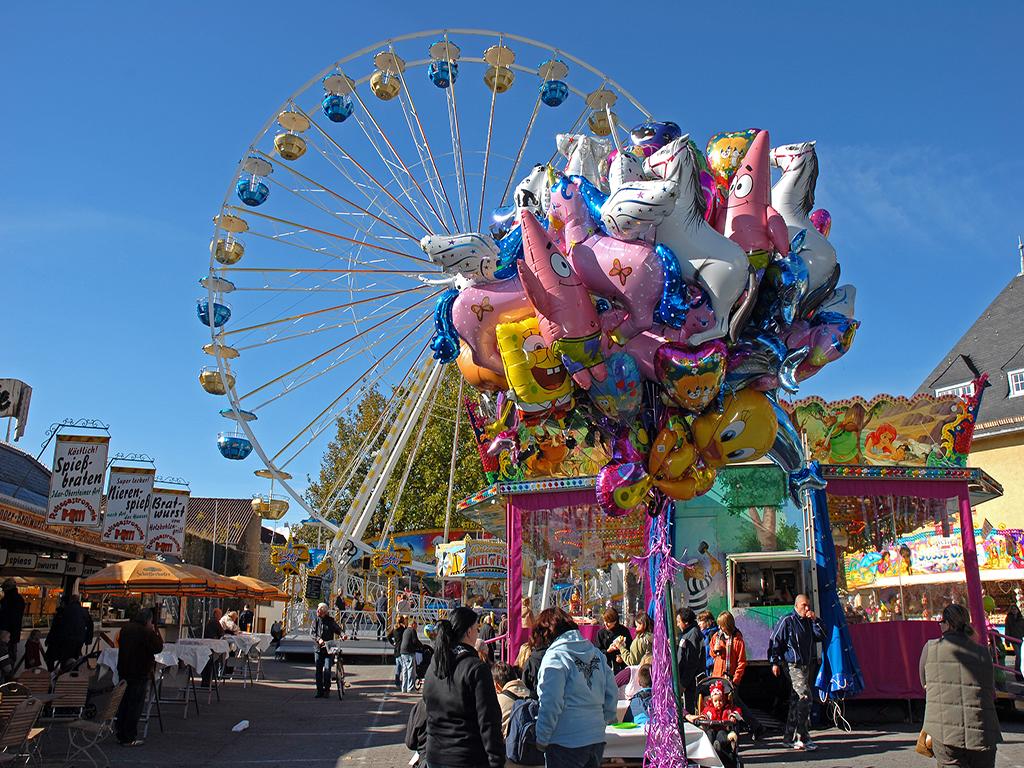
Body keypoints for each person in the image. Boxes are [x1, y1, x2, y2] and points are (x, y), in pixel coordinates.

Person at [534, 606, 618, 768]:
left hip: (565, 741)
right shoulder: (596, 654)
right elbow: (612, 694)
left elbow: (550, 702)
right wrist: (601, 721)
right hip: (595, 737)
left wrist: (542, 738)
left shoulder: (555, 657)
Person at [421, 606, 505, 768]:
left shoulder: (436, 664)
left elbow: (427, 704)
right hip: (466, 755)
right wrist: (496, 760)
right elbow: (489, 719)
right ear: (469, 632)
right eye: (476, 629)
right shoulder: (476, 668)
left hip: (436, 752)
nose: (478, 633)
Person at [920, 604, 1001, 768]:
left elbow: (925, 684)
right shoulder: (983, 652)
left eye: (941, 622)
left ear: (947, 625)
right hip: (983, 732)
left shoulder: (931, 648)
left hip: (945, 733)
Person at [767, 593, 825, 751]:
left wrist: (815, 620)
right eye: (804, 605)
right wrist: (774, 662)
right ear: (796, 605)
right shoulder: (787, 620)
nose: (806, 608)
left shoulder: (808, 622)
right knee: (804, 697)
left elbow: (822, 635)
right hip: (792, 664)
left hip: (806, 663)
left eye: (808, 606)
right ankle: (803, 736)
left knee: (796, 701)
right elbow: (776, 640)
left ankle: (789, 736)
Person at [710, 610, 764, 739]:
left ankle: (750, 727)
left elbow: (741, 662)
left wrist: (736, 679)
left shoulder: (737, 641)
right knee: (721, 704)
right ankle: (753, 727)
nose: (719, 628)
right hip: (717, 676)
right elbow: (712, 654)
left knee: (734, 704)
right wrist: (714, 650)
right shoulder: (717, 637)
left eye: (722, 625)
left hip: (730, 678)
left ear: (727, 625)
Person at [115, 607, 163, 747]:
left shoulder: (126, 629)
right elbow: (158, 647)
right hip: (139, 671)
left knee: (124, 702)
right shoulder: (146, 632)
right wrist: (154, 631)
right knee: (134, 704)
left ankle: (120, 733)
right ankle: (129, 737)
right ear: (148, 620)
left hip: (124, 669)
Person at [686, 680, 742, 768]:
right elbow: (705, 715)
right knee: (710, 733)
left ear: (724, 700)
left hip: (724, 730)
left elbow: (737, 711)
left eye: (720, 701)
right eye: (716, 701)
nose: (718, 703)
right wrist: (703, 719)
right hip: (712, 729)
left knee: (721, 734)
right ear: (712, 701)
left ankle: (718, 745)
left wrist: (733, 717)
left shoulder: (728, 709)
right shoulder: (709, 710)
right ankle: (711, 747)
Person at [46, 593, 94, 671]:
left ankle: (64, 675)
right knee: (75, 659)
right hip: (79, 639)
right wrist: (88, 638)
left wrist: (50, 639)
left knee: (65, 659)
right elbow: (90, 625)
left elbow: (56, 627)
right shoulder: (83, 611)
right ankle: (73, 674)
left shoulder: (65, 610)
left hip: (66, 639)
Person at [310, 602, 343, 698]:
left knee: (327, 669)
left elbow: (338, 629)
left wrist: (342, 634)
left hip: (328, 648)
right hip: (318, 648)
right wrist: (318, 639)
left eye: (319, 610)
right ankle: (319, 690)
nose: (317, 611)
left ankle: (327, 689)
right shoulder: (315, 621)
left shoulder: (330, 621)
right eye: (317, 609)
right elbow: (312, 632)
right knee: (318, 670)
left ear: (324, 611)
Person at [675, 607, 704, 714]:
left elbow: (692, 662)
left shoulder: (693, 635)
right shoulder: (687, 634)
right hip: (686, 680)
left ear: (686, 622)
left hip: (691, 682)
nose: (678, 625)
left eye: (679, 622)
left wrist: (684, 683)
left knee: (689, 710)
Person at [492, 661, 529, 737]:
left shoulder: (497, 701)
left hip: (509, 746)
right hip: (531, 744)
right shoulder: (532, 695)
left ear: (497, 686)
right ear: (516, 676)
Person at [595, 607, 632, 674]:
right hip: (605, 668)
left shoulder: (624, 631)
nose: (605, 624)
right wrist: (608, 651)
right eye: (604, 621)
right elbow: (596, 653)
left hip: (621, 669)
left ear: (615, 622)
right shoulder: (601, 633)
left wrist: (622, 657)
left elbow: (630, 649)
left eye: (608, 622)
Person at [200, 608, 224, 687]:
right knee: (212, 663)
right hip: (212, 646)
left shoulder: (210, 621)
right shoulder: (215, 622)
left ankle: (206, 680)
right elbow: (221, 632)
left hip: (207, 645)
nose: (221, 616)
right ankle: (208, 681)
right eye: (220, 614)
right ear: (216, 614)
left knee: (208, 664)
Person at [399, 619, 425, 693]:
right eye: (416, 626)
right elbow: (415, 641)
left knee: (404, 670)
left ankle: (404, 687)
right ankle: (410, 687)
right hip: (409, 652)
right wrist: (421, 645)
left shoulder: (406, 630)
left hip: (402, 651)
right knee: (411, 669)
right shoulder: (412, 631)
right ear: (413, 625)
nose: (416, 628)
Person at [0, 580, 25, 650]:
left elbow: (3, 616)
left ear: (9, 587)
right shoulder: (20, 599)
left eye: (4, 587)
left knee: (3, 653)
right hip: (15, 633)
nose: (3, 590)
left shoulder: (6, 600)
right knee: (11, 654)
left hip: (4, 632)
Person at [1004, 603, 1024, 680]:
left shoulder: (1021, 619)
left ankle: (1021, 672)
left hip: (1021, 639)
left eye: (1015, 609)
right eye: (1012, 609)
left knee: (1022, 656)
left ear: (1018, 610)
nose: (1013, 611)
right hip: (1014, 639)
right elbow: (1007, 630)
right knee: (1018, 655)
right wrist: (1007, 640)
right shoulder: (1009, 619)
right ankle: (1018, 673)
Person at [696, 609, 717, 677]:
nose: (699, 624)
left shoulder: (712, 634)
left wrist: (706, 664)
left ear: (707, 622)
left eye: (701, 621)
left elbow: (714, 654)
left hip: (711, 669)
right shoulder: (704, 635)